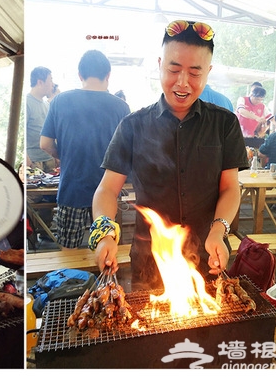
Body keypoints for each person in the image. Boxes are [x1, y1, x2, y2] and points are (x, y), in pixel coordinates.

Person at [90, 20, 248, 291]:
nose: (183, 82)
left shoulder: (224, 123)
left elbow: (231, 188)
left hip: (207, 258)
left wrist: (218, 230)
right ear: (160, 64)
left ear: (208, 72)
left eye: (195, 73)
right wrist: (104, 234)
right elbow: (106, 190)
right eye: (174, 69)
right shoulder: (132, 126)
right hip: (150, 261)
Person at [40, 49, 130, 249]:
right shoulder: (121, 107)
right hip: (109, 190)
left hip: (72, 188)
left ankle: (72, 279)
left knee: (68, 250)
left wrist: (63, 156)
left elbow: (45, 144)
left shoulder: (59, 101)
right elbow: (128, 151)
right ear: (108, 75)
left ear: (80, 75)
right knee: (107, 243)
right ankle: (106, 279)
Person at [26, 66, 58, 172]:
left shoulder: (47, 105)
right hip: (34, 161)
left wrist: (56, 157)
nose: (52, 84)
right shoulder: (27, 103)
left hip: (49, 160)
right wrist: (26, 158)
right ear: (40, 82)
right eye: (50, 80)